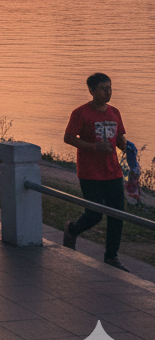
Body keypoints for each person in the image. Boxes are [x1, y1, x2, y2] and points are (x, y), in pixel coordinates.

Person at [62, 73, 130, 271]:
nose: (108, 92)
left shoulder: (114, 112)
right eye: (103, 88)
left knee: (117, 215)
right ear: (91, 91)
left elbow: (120, 139)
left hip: (113, 172)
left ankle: (111, 257)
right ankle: (72, 229)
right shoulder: (81, 113)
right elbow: (68, 137)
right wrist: (92, 147)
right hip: (90, 172)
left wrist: (129, 149)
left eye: (110, 88)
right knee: (95, 214)